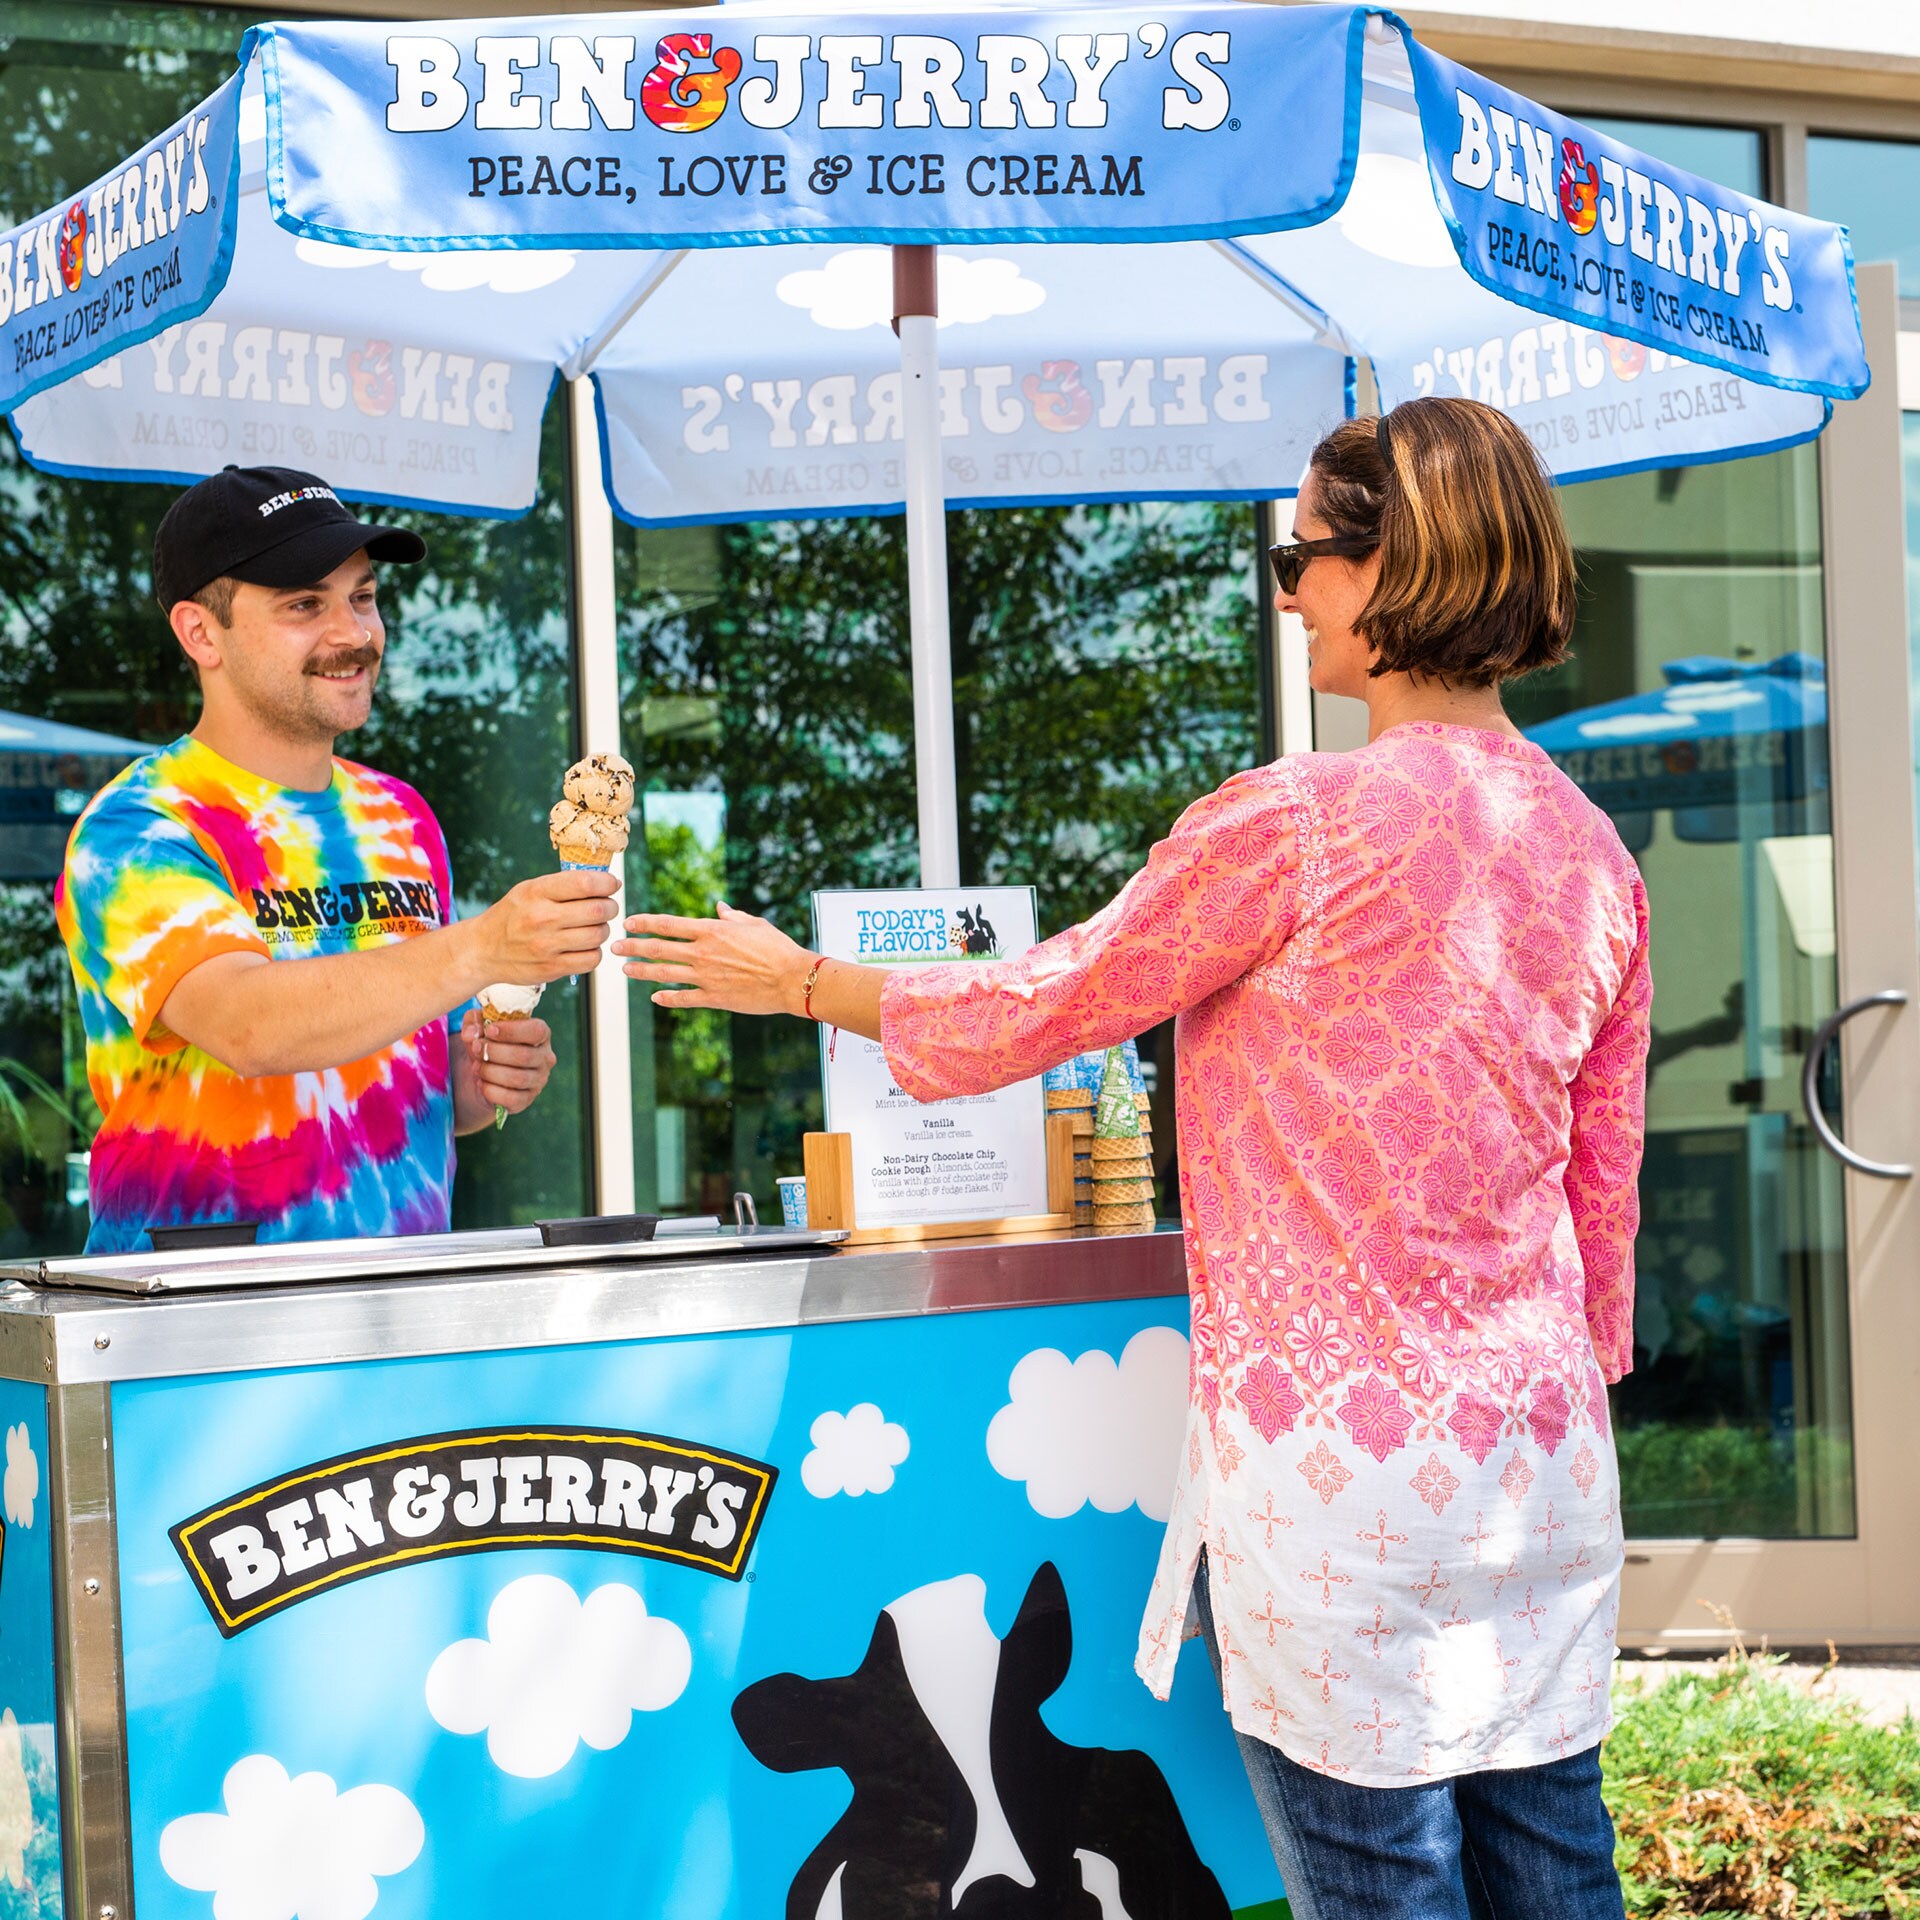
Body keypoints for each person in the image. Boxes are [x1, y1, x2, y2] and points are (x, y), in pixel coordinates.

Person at [615, 397, 1650, 1918]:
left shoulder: (1294, 827)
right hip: (1539, 1469)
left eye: (1298, 558)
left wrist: (803, 982)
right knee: (1555, 1868)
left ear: (1392, 566)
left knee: (1386, 1890)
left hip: (1339, 1479)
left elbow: (1053, 998)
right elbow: (1601, 1206)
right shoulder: (1591, 852)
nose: (1287, 596)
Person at [57, 465, 616, 1253]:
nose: (354, 633)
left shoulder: (401, 815)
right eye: (304, 605)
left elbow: (412, 1076)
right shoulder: (138, 827)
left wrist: (480, 1080)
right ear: (200, 633)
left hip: (401, 1300)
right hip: (197, 1313)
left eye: (363, 596)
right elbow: (248, 1026)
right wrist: (482, 947)